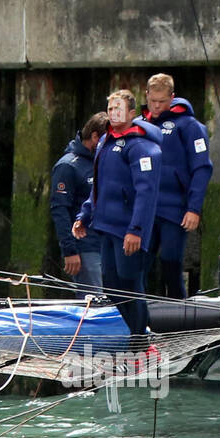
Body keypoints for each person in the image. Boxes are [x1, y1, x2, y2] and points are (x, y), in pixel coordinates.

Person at [72, 90, 163, 338]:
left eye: (119, 108)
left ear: (132, 112)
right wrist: (84, 215)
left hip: (129, 230)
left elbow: (147, 193)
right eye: (110, 109)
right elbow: (98, 186)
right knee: (112, 285)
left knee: (130, 283)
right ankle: (134, 331)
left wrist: (136, 230)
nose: (113, 113)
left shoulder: (142, 146)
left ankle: (140, 335)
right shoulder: (105, 141)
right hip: (106, 227)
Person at [140, 74, 213, 300]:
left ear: (172, 97)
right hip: (146, 209)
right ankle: (139, 309)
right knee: (139, 263)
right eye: (153, 101)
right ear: (147, 96)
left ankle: (178, 307)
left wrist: (194, 208)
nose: (157, 106)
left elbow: (202, 168)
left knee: (171, 261)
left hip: (175, 209)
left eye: (162, 101)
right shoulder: (142, 125)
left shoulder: (190, 126)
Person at [50, 112, 109, 297]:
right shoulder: (68, 166)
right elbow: (59, 210)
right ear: (94, 137)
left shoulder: (103, 162)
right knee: (94, 302)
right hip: (85, 248)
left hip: (107, 244)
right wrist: (69, 250)